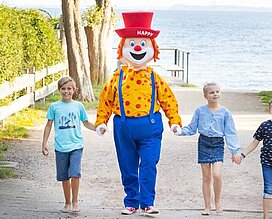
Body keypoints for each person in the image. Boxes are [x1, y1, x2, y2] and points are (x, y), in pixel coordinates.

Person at [95, 11, 182, 216]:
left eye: (143, 44)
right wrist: (101, 121)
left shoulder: (155, 77)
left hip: (150, 126)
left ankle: (148, 202)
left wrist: (174, 121)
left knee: (149, 163)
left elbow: (168, 100)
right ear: (122, 48)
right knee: (127, 166)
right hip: (123, 126)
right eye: (132, 43)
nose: (137, 48)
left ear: (153, 48)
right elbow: (106, 100)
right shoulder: (117, 77)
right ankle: (131, 201)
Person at [172, 82, 242, 216]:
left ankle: (217, 202)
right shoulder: (200, 111)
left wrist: (235, 151)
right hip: (203, 143)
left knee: (217, 175)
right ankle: (207, 206)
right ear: (205, 95)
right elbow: (192, 128)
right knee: (206, 177)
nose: (215, 94)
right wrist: (179, 130)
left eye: (217, 91)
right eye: (211, 92)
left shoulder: (225, 112)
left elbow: (230, 132)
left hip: (217, 144)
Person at [41, 76, 96, 213]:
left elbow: (86, 123)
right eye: (63, 89)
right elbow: (48, 126)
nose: (66, 91)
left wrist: (98, 128)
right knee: (64, 176)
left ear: (74, 90)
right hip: (60, 147)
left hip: (76, 145)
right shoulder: (54, 107)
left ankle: (75, 201)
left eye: (69, 88)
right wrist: (44, 143)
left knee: (75, 173)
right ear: (59, 90)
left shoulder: (79, 106)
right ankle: (67, 202)